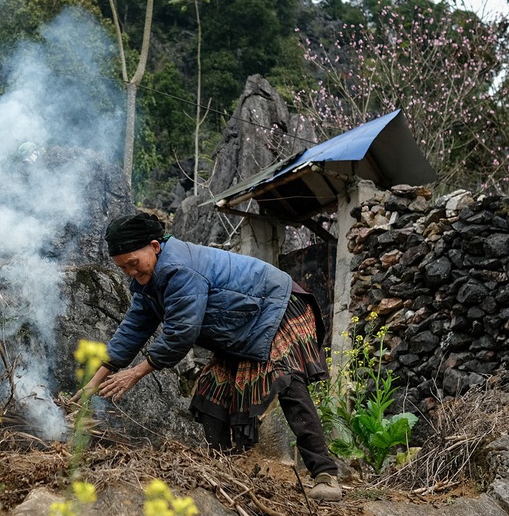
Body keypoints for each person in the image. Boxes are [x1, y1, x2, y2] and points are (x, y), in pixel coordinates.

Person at [81, 212, 342, 501]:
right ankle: (227, 470)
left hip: (274, 306)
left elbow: (181, 332)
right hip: (240, 324)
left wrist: (135, 373)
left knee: (287, 383)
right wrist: (92, 384)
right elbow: (132, 330)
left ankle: (325, 476)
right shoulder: (148, 281)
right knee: (211, 395)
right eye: (123, 268)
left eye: (133, 263)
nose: (131, 272)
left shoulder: (179, 269)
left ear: (155, 246)